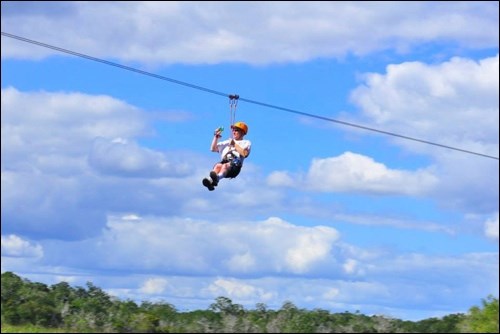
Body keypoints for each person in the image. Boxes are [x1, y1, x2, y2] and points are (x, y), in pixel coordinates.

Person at [202, 121, 251, 191]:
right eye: (233, 130)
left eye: (236, 130)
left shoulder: (246, 142)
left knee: (225, 166)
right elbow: (213, 149)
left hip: (235, 167)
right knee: (218, 166)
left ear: (243, 132)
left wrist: (234, 144)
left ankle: (217, 179)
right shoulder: (227, 142)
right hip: (225, 162)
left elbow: (245, 154)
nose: (234, 132)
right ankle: (211, 181)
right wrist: (216, 136)